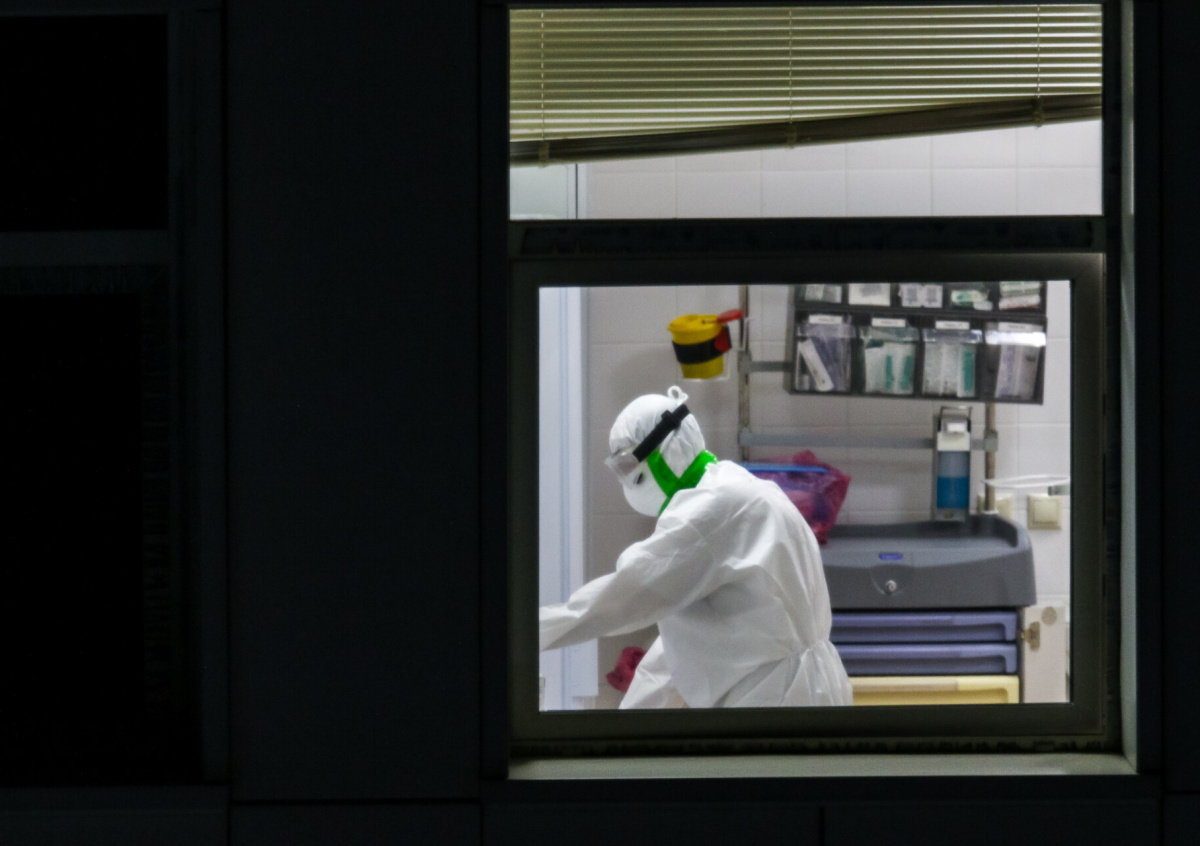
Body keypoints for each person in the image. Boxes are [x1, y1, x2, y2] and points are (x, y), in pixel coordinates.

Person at [539, 386, 853, 709]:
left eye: (629, 467)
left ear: (664, 452)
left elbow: (622, 597)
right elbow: (678, 652)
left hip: (776, 698)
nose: (626, 481)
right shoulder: (733, 485)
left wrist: (528, 632)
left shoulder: (709, 512)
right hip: (806, 688)